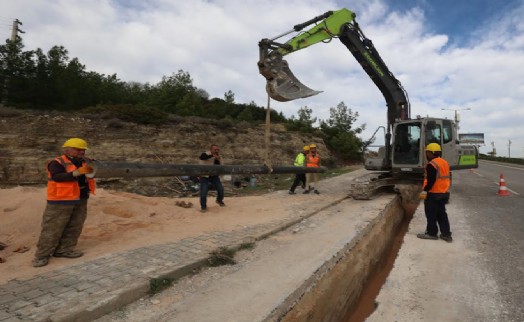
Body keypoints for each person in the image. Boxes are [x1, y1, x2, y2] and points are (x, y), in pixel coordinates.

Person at [32, 138, 96, 267]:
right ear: (68, 150)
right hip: (60, 200)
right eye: (78, 150)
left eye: (83, 150)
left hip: (80, 198)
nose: (82, 152)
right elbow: (57, 177)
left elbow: (91, 173)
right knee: (52, 228)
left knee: (74, 226)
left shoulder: (84, 162)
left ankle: (64, 250)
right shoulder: (57, 163)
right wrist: (76, 173)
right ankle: (41, 256)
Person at [417, 143, 452, 242]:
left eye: (427, 153)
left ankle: (432, 233)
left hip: (433, 194)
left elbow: (431, 181)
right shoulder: (444, 162)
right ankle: (446, 234)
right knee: (442, 214)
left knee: (431, 214)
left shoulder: (432, 164)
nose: (426, 155)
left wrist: (425, 191)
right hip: (443, 193)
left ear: (430, 153)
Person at [199, 144, 225, 213]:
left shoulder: (219, 156)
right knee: (203, 193)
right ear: (211, 150)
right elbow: (202, 157)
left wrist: (217, 159)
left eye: (217, 150)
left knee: (221, 190)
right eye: (215, 149)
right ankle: (203, 207)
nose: (216, 151)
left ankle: (219, 200)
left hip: (214, 176)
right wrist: (212, 156)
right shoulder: (205, 154)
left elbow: (218, 166)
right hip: (205, 176)